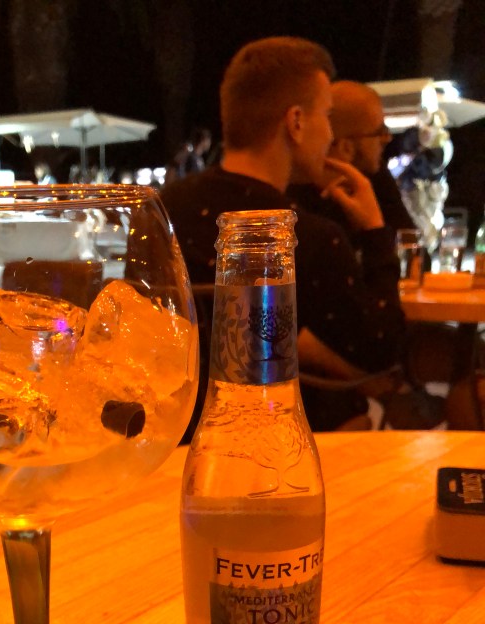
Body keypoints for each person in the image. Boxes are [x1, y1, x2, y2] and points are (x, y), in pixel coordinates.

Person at [160, 37, 408, 436]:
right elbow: (382, 355)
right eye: (326, 115)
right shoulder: (303, 237)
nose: (329, 133)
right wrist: (375, 232)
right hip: (285, 441)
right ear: (296, 122)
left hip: (172, 435)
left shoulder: (165, 210)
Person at [289, 80, 416, 235]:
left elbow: (411, 243)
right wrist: (373, 227)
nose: (387, 138)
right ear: (346, 147)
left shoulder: (377, 179)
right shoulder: (296, 207)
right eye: (379, 131)